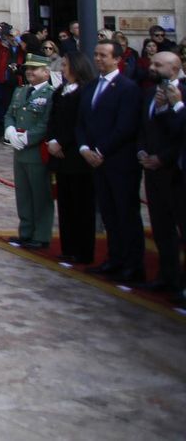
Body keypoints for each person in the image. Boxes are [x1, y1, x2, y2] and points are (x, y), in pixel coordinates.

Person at [78, 39, 146, 283]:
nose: (98, 59)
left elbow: (126, 126)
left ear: (117, 59)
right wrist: (84, 147)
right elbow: (83, 121)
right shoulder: (91, 86)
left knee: (126, 213)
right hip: (96, 160)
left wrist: (100, 150)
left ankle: (133, 263)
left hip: (119, 161)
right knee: (108, 213)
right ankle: (114, 258)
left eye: (103, 55)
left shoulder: (128, 87)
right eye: (96, 54)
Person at [139, 50, 185, 295]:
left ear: (174, 70)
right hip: (152, 171)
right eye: (152, 63)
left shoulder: (182, 94)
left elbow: (180, 135)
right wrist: (143, 153)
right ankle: (167, 275)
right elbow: (144, 128)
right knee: (161, 227)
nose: (152, 67)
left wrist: (162, 158)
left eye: (158, 65)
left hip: (175, 171)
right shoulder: (148, 93)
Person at [46, 51, 96, 265]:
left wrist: (62, 142)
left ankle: (83, 250)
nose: (62, 69)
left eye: (65, 65)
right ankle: (68, 247)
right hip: (60, 154)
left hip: (76, 154)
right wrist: (51, 140)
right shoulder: (61, 91)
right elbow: (54, 118)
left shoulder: (85, 91)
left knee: (81, 205)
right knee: (65, 203)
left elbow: (80, 122)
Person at [5, 53, 58, 249]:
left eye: (34, 69)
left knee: (40, 193)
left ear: (46, 72)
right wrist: (10, 131)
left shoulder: (50, 94)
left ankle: (41, 234)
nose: (29, 72)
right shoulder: (20, 91)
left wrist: (28, 137)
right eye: (27, 69)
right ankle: (25, 231)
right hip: (19, 151)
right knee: (24, 193)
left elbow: (46, 122)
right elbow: (10, 113)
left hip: (37, 151)